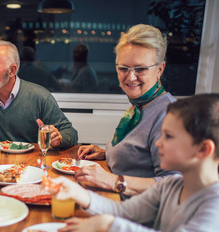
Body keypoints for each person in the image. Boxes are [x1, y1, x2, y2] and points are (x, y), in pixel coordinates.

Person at [54, 94, 219, 232]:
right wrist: (80, 194)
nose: (157, 143)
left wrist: (106, 225)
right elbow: (123, 212)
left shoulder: (214, 203)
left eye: (168, 136)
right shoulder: (171, 186)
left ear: (203, 149)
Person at [76, 24, 178, 198]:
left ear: (160, 69)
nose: (130, 77)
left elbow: (173, 184)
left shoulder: (169, 115)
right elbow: (137, 158)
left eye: (140, 69)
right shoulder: (140, 105)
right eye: (123, 68)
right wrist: (105, 153)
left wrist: (112, 181)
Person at [0, 40, 78, 150]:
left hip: (30, 165)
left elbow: (71, 133)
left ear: (12, 70)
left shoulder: (40, 97)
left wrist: (58, 139)